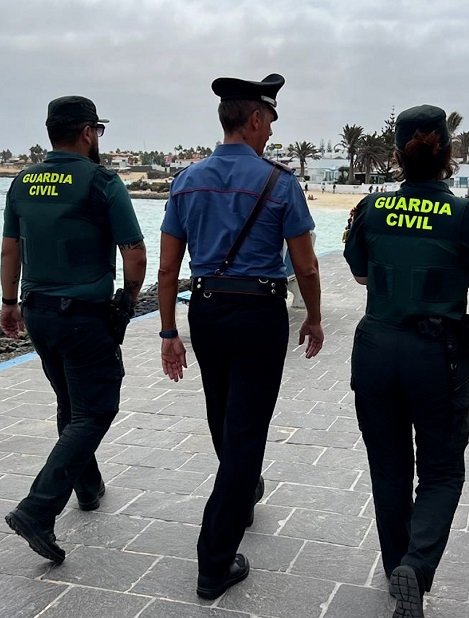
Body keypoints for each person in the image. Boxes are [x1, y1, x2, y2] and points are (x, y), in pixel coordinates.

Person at [158, 73, 323, 600]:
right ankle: (214, 560)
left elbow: (167, 270)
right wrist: (314, 318)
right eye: (270, 121)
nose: (271, 132)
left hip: (206, 310)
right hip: (259, 314)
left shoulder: (187, 180)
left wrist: (168, 331)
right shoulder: (280, 183)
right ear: (254, 118)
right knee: (246, 432)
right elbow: (307, 266)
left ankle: (241, 488)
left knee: (221, 410)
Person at [343, 105, 469, 618]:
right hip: (437, 357)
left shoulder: (370, 209)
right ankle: (417, 564)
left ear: (396, 156)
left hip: (376, 351)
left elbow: (362, 276)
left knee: (388, 470)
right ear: (448, 157)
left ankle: (398, 571)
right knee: (440, 473)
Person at [0, 95, 147, 565]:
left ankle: (89, 486)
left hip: (37, 311)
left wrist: (8, 303)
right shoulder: (102, 182)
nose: (98, 139)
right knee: (96, 409)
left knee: (70, 402)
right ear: (87, 132)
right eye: (98, 131)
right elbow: (135, 253)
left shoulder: (23, 182)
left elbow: (10, 250)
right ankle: (38, 509)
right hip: (83, 315)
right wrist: (126, 301)